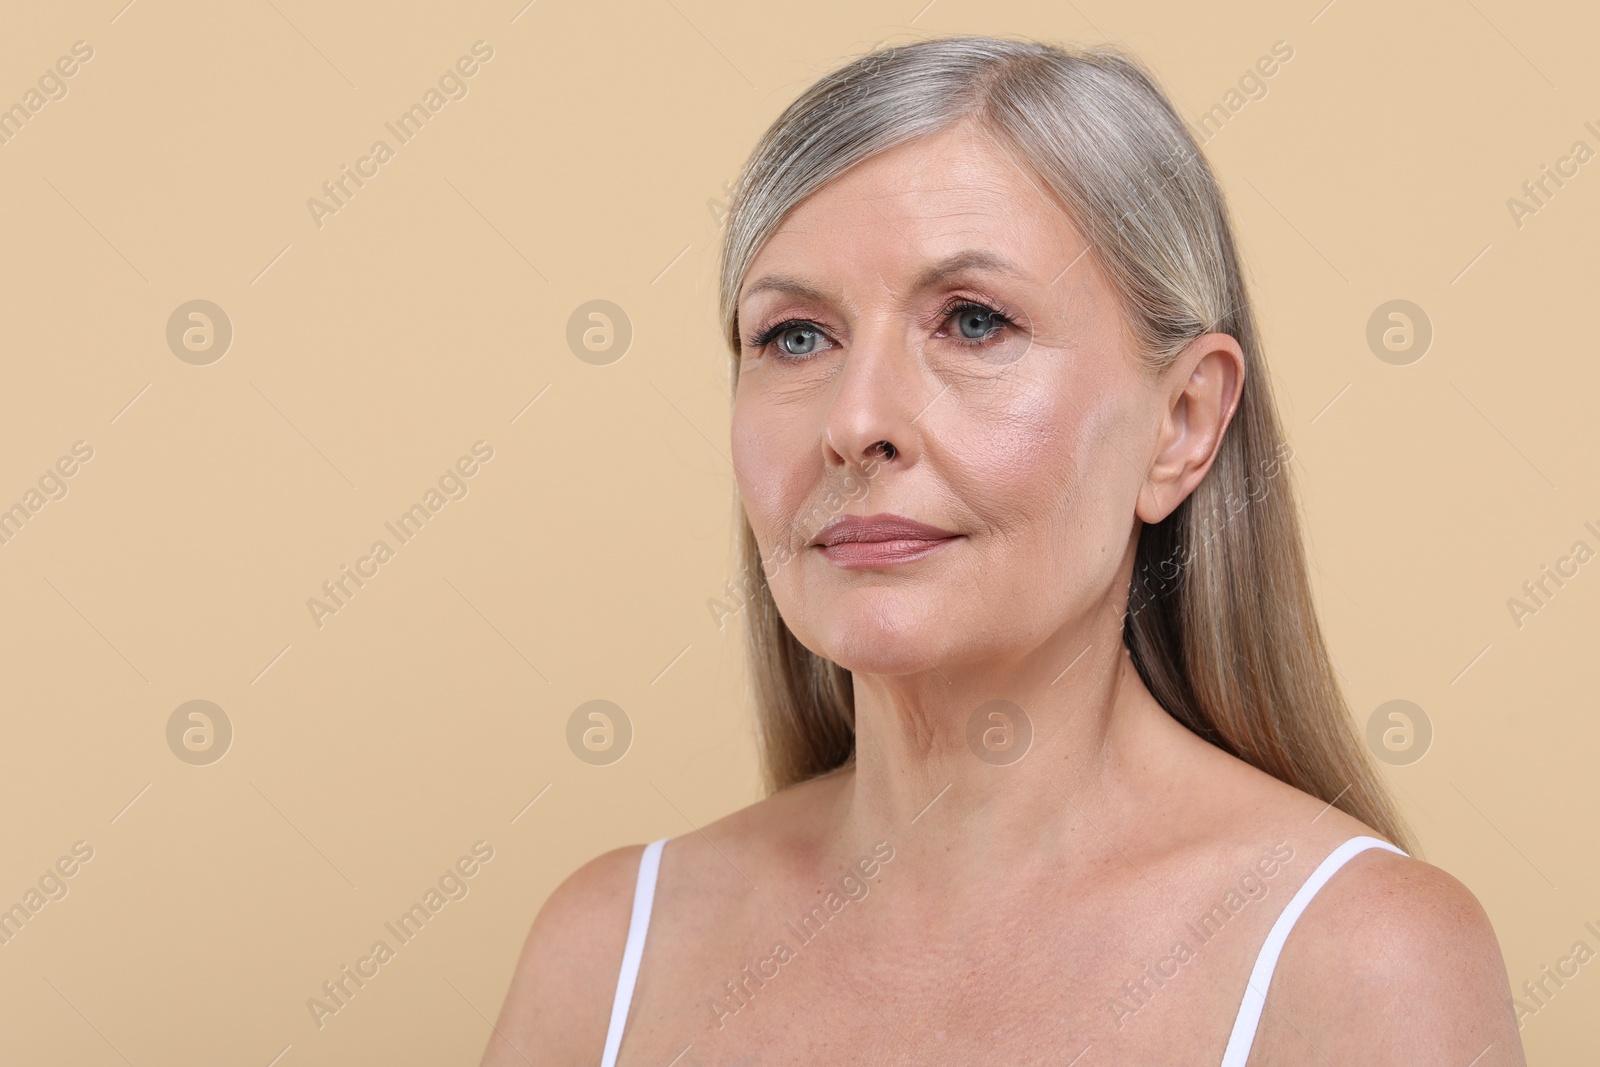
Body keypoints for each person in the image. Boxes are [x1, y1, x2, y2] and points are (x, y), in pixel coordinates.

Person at [483, 34, 1526, 1066]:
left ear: (1182, 423)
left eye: (972, 322)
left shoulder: (1360, 964)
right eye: (795, 334)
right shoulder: (606, 954)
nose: (855, 421)